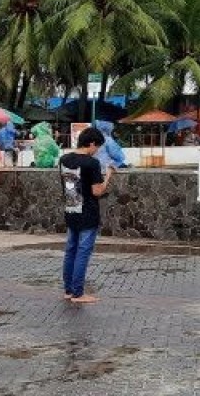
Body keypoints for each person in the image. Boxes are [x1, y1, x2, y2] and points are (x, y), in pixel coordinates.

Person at [59, 126, 115, 304]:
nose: (96, 151)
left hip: (71, 209)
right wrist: (108, 176)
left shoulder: (64, 159)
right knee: (83, 252)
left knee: (70, 251)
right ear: (91, 143)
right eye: (97, 147)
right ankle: (78, 293)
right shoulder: (91, 163)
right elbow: (97, 191)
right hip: (88, 213)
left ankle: (69, 290)